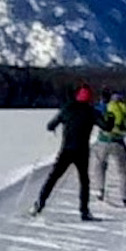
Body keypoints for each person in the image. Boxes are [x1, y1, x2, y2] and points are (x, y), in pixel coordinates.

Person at [33, 84, 101, 220]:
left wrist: (54, 127)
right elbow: (107, 126)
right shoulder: (92, 111)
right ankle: (84, 211)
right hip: (82, 152)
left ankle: (39, 204)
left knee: (53, 177)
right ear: (89, 98)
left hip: (67, 150)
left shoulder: (67, 108)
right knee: (84, 181)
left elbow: (50, 125)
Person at [94, 92, 126, 207]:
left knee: (100, 165)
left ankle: (100, 191)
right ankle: (125, 197)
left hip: (103, 141)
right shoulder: (125, 111)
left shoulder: (105, 107)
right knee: (122, 171)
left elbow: (95, 110)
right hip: (118, 143)